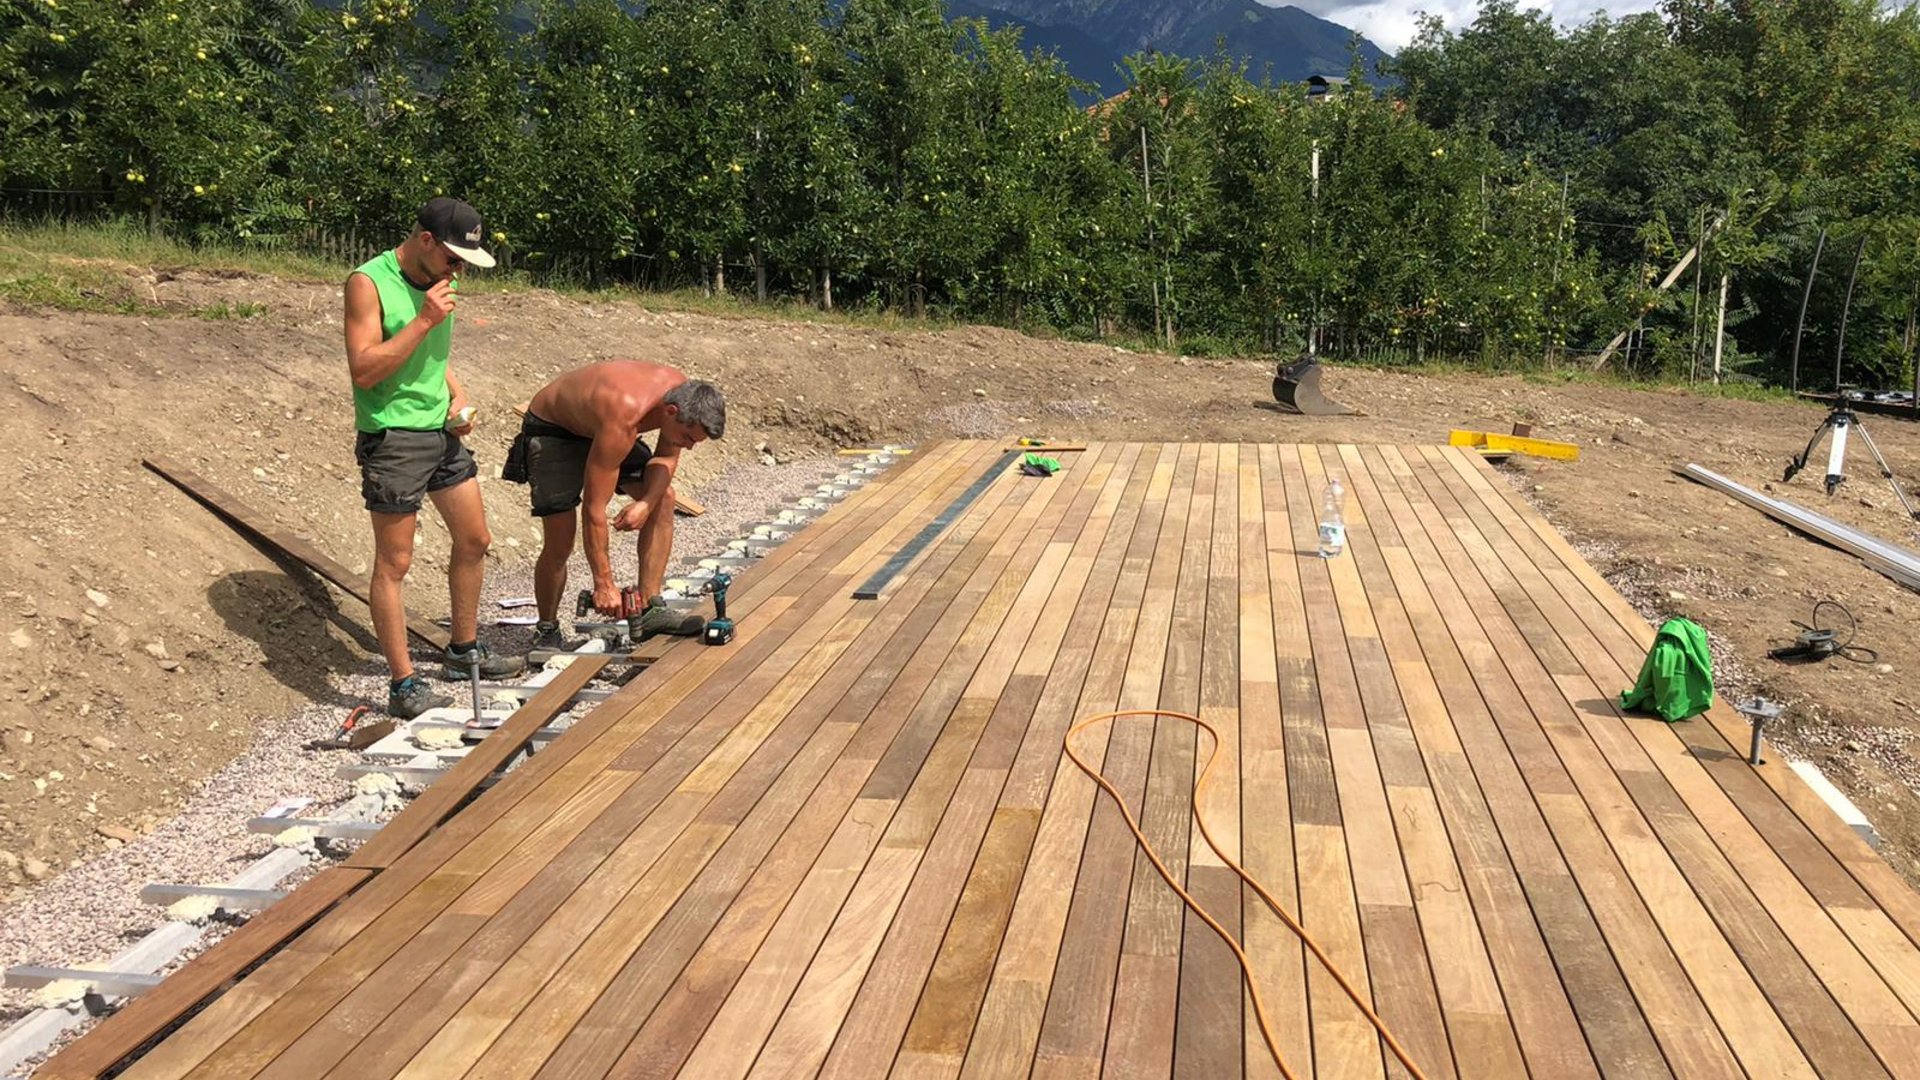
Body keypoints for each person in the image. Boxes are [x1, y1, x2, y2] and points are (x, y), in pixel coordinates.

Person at [344, 196, 525, 719]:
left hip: (439, 431)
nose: (458, 270)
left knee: (475, 538)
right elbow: (364, 369)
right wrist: (423, 321)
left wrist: (454, 391)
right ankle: (403, 685)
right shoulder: (368, 282)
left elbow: (432, 357)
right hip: (393, 435)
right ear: (425, 241)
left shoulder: (441, 282)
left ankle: (462, 650)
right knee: (395, 561)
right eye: (452, 259)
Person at [503, 361, 725, 646]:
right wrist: (604, 584)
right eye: (687, 438)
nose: (689, 446)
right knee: (560, 539)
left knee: (663, 499)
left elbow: (667, 458)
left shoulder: (683, 396)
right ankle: (547, 628)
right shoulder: (626, 414)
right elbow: (595, 507)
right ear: (671, 413)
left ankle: (650, 609)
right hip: (554, 430)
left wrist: (645, 503)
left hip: (599, 425)